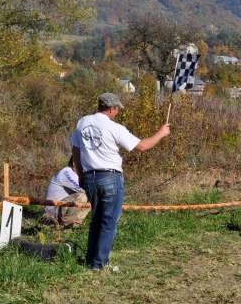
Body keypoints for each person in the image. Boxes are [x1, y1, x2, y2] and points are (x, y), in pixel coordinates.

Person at [70, 92, 170, 270]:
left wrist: (80, 174)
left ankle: (91, 260)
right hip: (110, 177)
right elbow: (142, 146)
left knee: (96, 221)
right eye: (117, 109)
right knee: (108, 223)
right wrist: (160, 133)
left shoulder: (83, 122)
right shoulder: (115, 128)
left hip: (90, 177)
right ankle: (99, 264)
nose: (117, 112)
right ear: (111, 108)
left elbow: (75, 149)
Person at [43, 156, 90, 227]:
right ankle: (65, 224)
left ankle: (74, 224)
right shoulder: (67, 173)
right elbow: (85, 190)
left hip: (61, 207)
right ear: (74, 163)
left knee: (93, 198)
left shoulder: (74, 174)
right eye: (84, 164)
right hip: (53, 211)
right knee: (82, 197)